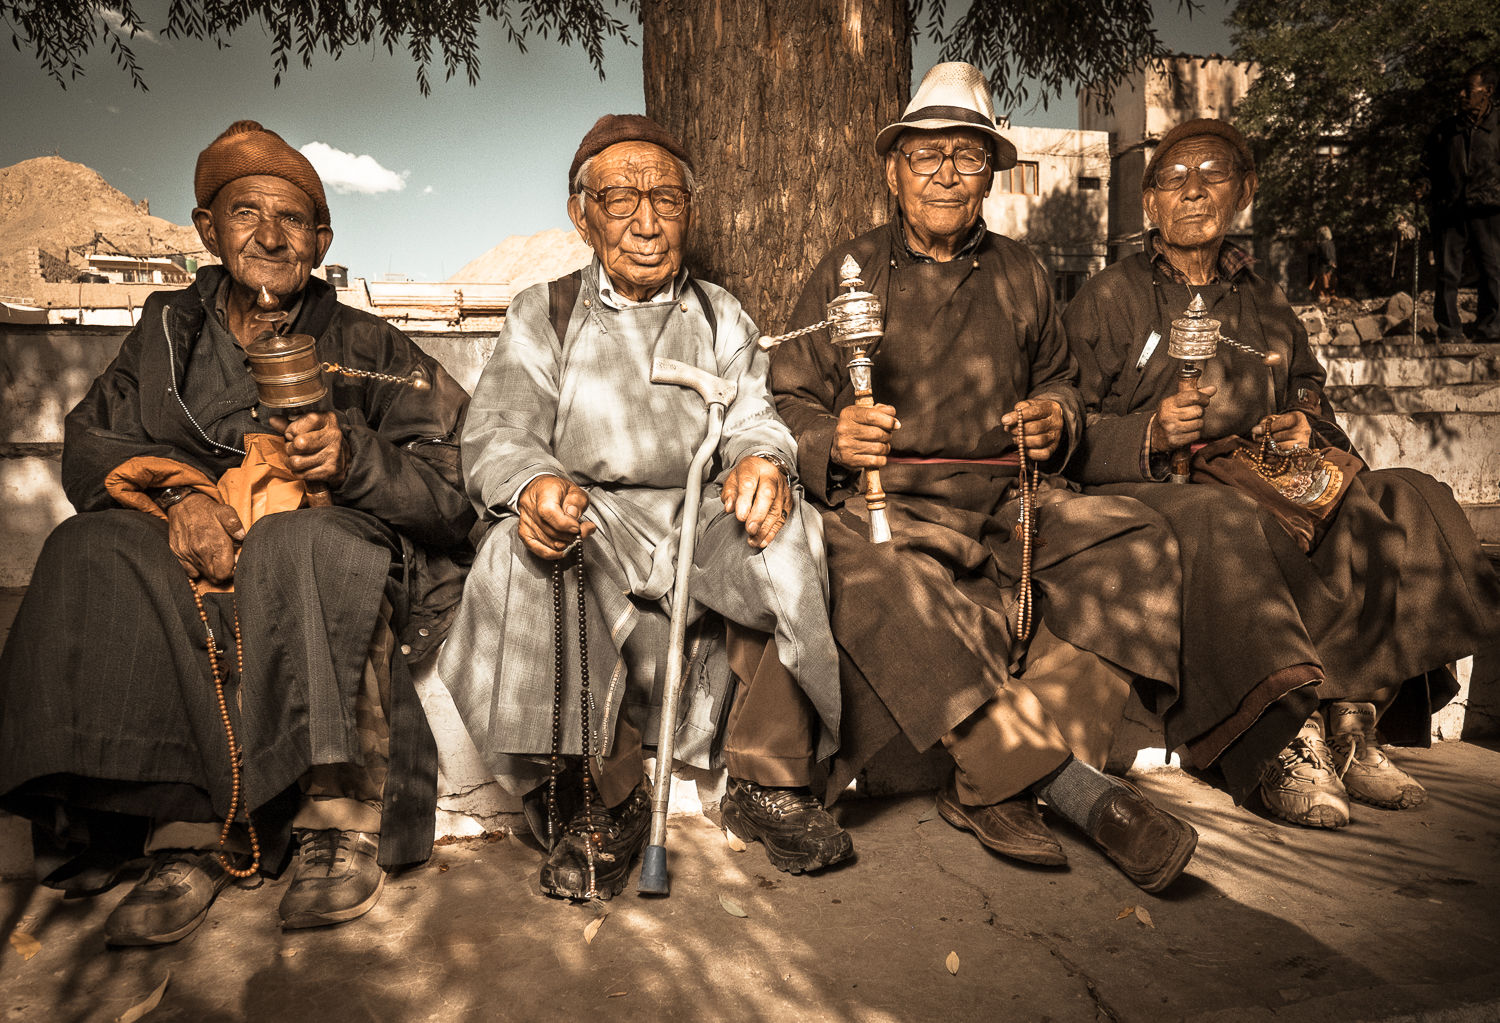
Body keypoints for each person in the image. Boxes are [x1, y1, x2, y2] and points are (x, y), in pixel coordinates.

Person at [0, 120, 474, 944]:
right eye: (244, 212)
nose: (267, 234)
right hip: (193, 536)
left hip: (322, 537)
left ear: (322, 241)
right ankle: (182, 836)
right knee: (92, 549)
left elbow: (451, 485)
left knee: (299, 546)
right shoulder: (161, 334)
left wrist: (352, 457)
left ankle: (337, 823)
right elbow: (92, 442)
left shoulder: (370, 346)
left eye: (292, 220)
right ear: (206, 229)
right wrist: (182, 493)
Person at [770, 63, 1198, 894]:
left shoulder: (1022, 271)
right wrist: (834, 435)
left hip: (1009, 502)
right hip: (884, 506)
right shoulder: (847, 270)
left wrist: (1056, 417)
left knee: (1140, 549)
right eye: (926, 157)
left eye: (966, 158)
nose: (944, 175)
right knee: (867, 572)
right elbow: (781, 399)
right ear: (893, 171)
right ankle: (1053, 782)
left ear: (991, 176)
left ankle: (989, 780)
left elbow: (1063, 382)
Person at [438, 114, 848, 900]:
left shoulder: (723, 314)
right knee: (513, 551)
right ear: (581, 213)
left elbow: (756, 413)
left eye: (665, 196)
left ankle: (770, 782)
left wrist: (763, 459)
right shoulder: (546, 311)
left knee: (791, 525)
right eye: (620, 198)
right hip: (597, 518)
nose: (647, 220)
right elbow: (496, 433)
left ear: (689, 209)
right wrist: (534, 485)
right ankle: (607, 798)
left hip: (702, 511)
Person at [1064, 117, 1500, 829]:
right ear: (1150, 202)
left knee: (1406, 495)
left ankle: (1353, 722)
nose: (1195, 190)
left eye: (1214, 173)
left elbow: (1306, 385)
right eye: (1175, 177)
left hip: (1270, 474)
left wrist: (1305, 422)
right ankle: (1279, 735)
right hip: (1168, 483)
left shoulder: (1264, 301)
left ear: (1243, 190)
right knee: (1235, 521)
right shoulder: (1109, 297)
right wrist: (1146, 431)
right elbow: (1067, 418)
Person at [1421, 63, 1500, 341]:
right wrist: (1422, 185)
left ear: (1488, 91)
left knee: (1493, 270)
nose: (1461, 94)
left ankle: (1491, 328)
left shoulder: (1498, 127)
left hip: (1490, 211)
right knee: (1447, 273)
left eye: (1469, 89)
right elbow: (1426, 168)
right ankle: (1449, 329)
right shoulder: (1445, 131)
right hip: (1450, 210)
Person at [1311, 226, 1337, 305]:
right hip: (1330, 267)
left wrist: (1330, 262)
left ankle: (1326, 300)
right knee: (1328, 284)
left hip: (1324, 268)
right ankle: (1327, 300)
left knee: (1324, 285)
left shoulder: (1323, 244)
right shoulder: (1331, 243)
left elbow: (1326, 255)